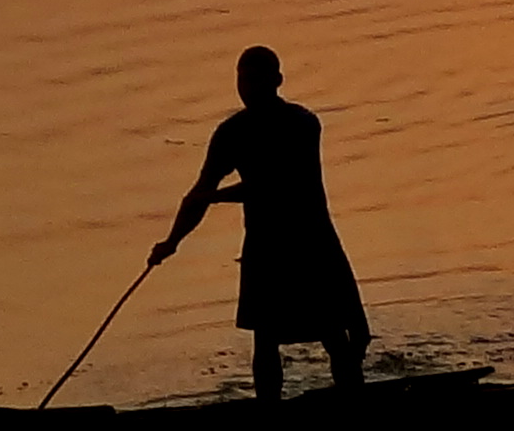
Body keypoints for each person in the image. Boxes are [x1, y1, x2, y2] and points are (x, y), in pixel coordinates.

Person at [157, 45, 368, 410]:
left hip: (311, 242)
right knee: (265, 338)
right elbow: (200, 191)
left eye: (257, 80)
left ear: (277, 82)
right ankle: (268, 415)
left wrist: (216, 197)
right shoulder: (231, 133)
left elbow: (277, 183)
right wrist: (171, 241)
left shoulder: (302, 124)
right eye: (243, 80)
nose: (249, 88)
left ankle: (356, 406)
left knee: (336, 332)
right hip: (265, 248)